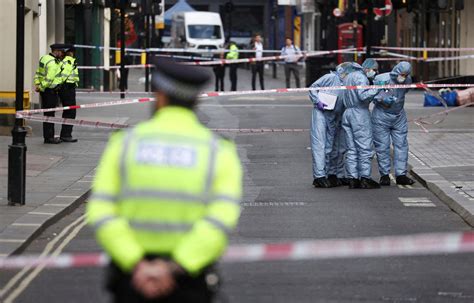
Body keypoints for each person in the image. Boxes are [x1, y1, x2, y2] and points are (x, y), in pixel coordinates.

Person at [87, 58, 243, 303]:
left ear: (160, 96)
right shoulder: (218, 151)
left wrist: (136, 263)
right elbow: (221, 219)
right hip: (188, 279)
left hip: (132, 280)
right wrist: (175, 266)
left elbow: (101, 210)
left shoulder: (125, 143)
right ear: (195, 99)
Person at [309, 62, 352, 188]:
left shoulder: (346, 83)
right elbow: (313, 87)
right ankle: (319, 176)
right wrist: (317, 101)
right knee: (319, 145)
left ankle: (333, 174)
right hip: (321, 114)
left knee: (334, 145)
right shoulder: (330, 77)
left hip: (335, 116)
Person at [372, 61, 415, 186]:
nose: (403, 76)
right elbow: (373, 95)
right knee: (382, 146)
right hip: (381, 116)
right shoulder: (381, 78)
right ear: (396, 71)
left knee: (401, 145)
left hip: (399, 115)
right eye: (402, 74)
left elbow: (404, 92)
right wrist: (383, 98)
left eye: (406, 75)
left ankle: (401, 174)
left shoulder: (407, 80)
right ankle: (384, 175)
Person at [342, 62, 381, 189]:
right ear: (367, 68)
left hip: (347, 112)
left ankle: (353, 178)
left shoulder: (349, 77)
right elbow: (363, 96)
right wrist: (377, 88)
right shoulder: (361, 78)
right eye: (374, 69)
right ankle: (365, 178)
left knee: (351, 148)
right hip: (359, 114)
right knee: (365, 147)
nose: (374, 72)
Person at [34, 43, 68, 144]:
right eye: (61, 52)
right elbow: (49, 78)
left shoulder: (44, 58)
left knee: (47, 114)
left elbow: (38, 73)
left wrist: (38, 84)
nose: (62, 54)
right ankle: (49, 137)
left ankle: (48, 136)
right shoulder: (53, 62)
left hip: (45, 91)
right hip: (50, 91)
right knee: (50, 114)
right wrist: (42, 86)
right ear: (56, 51)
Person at [57, 44, 79, 143]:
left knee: (68, 111)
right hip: (67, 88)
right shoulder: (69, 61)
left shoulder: (63, 60)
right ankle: (66, 135)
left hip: (66, 87)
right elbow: (64, 75)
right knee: (70, 112)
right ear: (71, 52)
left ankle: (65, 134)